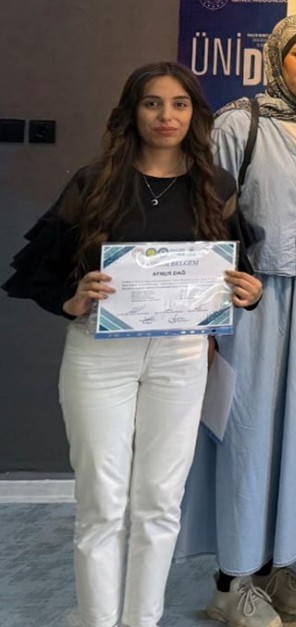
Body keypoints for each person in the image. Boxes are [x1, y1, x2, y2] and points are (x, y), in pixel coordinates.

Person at [5, 61, 263, 627]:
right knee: (102, 502)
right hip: (101, 355)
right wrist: (73, 299)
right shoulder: (94, 182)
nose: (166, 116)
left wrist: (249, 291)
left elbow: (237, 266)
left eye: (179, 104)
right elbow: (41, 270)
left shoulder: (215, 187)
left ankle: (142, 621)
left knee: (160, 503)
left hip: (182, 355)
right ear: (132, 111)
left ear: (194, 114)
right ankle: (98, 620)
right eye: (152, 103)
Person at [176, 14, 296, 627]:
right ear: (277, 58)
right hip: (252, 303)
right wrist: (207, 315)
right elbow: (204, 218)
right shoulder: (238, 123)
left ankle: (275, 565)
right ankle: (232, 580)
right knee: (246, 436)